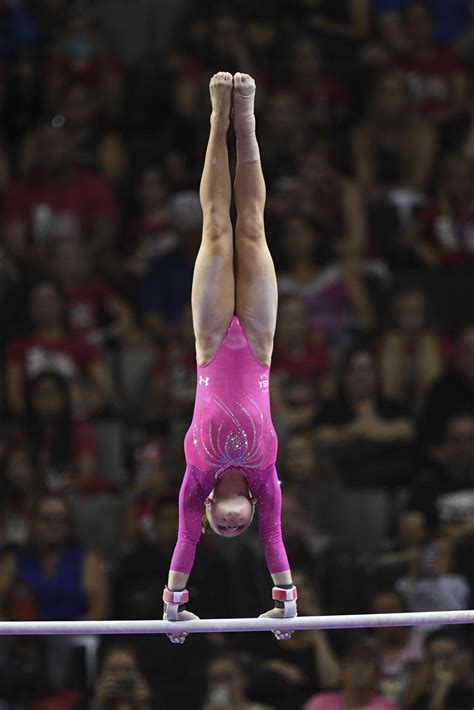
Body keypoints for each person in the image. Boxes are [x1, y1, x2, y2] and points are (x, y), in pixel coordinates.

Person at [162, 72, 297, 643]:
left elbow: (183, 540)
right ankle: (248, 120)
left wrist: (174, 605)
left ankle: (220, 118)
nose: (232, 525)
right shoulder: (265, 482)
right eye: (238, 526)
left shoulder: (198, 477)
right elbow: (276, 539)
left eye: (223, 525)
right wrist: (285, 603)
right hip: (260, 346)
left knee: (217, 230)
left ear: (213, 509)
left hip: (213, 343)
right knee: (254, 228)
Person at [0, 492, 109, 622]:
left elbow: (98, 612)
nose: (53, 525)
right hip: (22, 636)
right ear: (33, 522)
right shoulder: (13, 560)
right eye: (46, 519)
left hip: (75, 635)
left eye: (60, 519)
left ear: (70, 524)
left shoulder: (87, 560)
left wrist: (69, 635)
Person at [303, 639, 399, 710]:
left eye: (366, 662)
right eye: (352, 662)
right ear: (341, 671)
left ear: (377, 674)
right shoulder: (319, 704)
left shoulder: (387, 708)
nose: (358, 669)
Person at [407, 628, 474, 709]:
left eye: (448, 656)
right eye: (434, 659)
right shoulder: (429, 698)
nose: (440, 665)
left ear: (468, 652)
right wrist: (441, 690)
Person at [87, 644, 153, 710]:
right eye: (113, 670)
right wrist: (98, 703)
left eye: (127, 669)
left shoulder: (152, 702)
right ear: (101, 676)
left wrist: (144, 705)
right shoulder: (88, 702)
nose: (121, 676)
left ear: (139, 675)